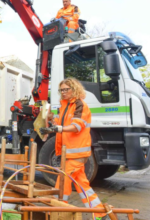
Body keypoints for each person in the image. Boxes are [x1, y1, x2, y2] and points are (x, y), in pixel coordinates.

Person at [40, 78, 109, 220]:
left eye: (66, 89)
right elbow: (60, 123)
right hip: (71, 152)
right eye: (61, 90)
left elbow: (77, 126)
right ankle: (99, 212)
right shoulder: (64, 106)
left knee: (62, 181)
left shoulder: (79, 105)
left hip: (76, 152)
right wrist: (51, 121)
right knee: (81, 184)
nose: (63, 92)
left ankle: (57, 209)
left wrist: (59, 128)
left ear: (74, 89)